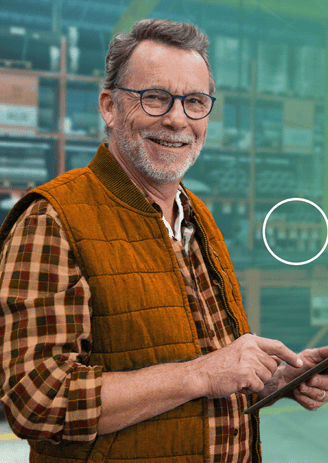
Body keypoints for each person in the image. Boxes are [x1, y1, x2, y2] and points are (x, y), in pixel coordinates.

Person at [0, 18, 327, 463]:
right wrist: (202, 374)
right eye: (154, 98)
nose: (177, 119)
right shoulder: (53, 219)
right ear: (109, 106)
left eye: (195, 102)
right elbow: (36, 402)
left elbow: (204, 377)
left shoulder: (198, 217)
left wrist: (271, 379)